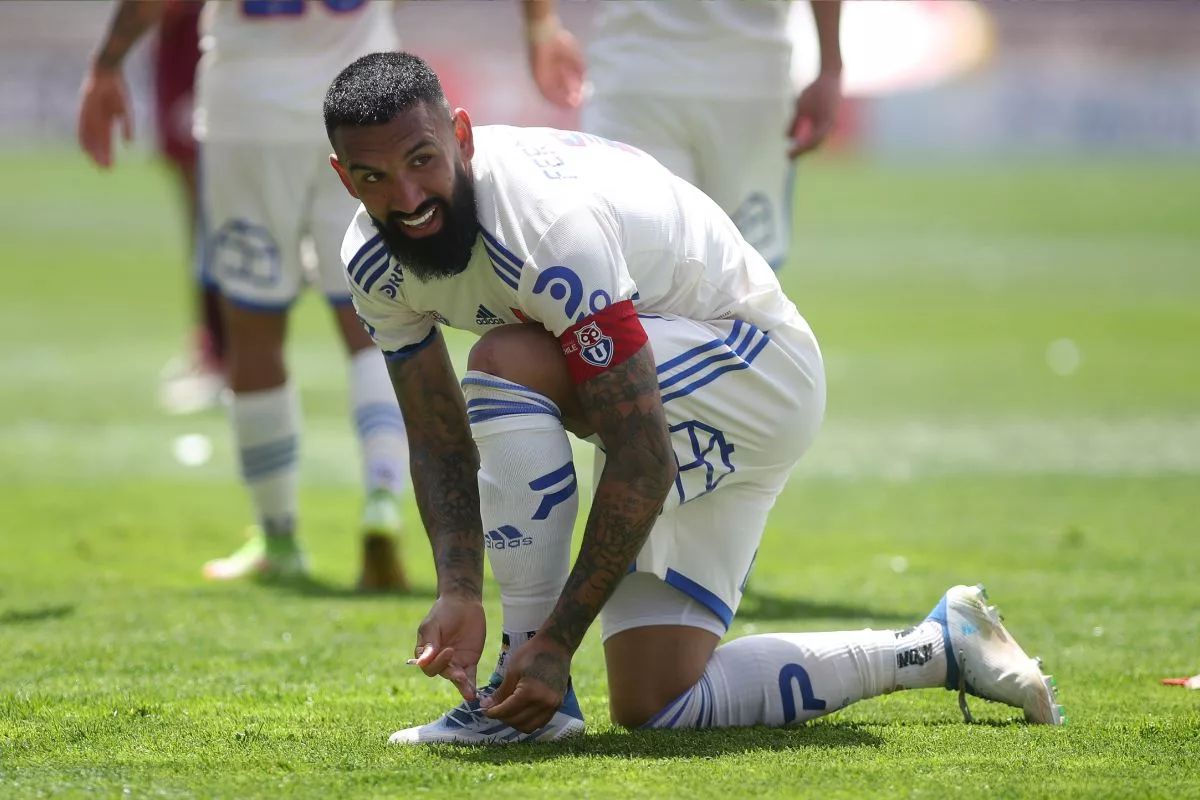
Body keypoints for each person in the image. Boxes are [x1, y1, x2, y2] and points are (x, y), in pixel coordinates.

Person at [324, 52, 1064, 744]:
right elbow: (437, 435)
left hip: (755, 368)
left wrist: (551, 646)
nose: (409, 198)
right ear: (342, 176)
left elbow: (644, 460)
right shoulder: (369, 259)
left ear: (460, 135)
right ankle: (938, 645)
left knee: (506, 362)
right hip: (681, 398)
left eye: (422, 161)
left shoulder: (546, 227)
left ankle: (519, 696)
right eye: (375, 177)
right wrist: (458, 590)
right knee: (658, 702)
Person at [77, 0, 412, 590]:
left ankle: (278, 538)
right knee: (376, 320)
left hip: (250, 112)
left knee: (253, 326)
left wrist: (107, 64)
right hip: (366, 101)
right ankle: (381, 498)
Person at [523, 0, 844, 270]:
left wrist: (541, 25)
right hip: (751, 79)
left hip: (636, 74)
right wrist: (830, 65)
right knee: (745, 290)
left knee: (633, 278)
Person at [78, 0, 226, 416]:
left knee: (212, 201)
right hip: (190, 31)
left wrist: (106, 62)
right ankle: (216, 345)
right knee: (202, 201)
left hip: (211, 30)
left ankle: (220, 354)